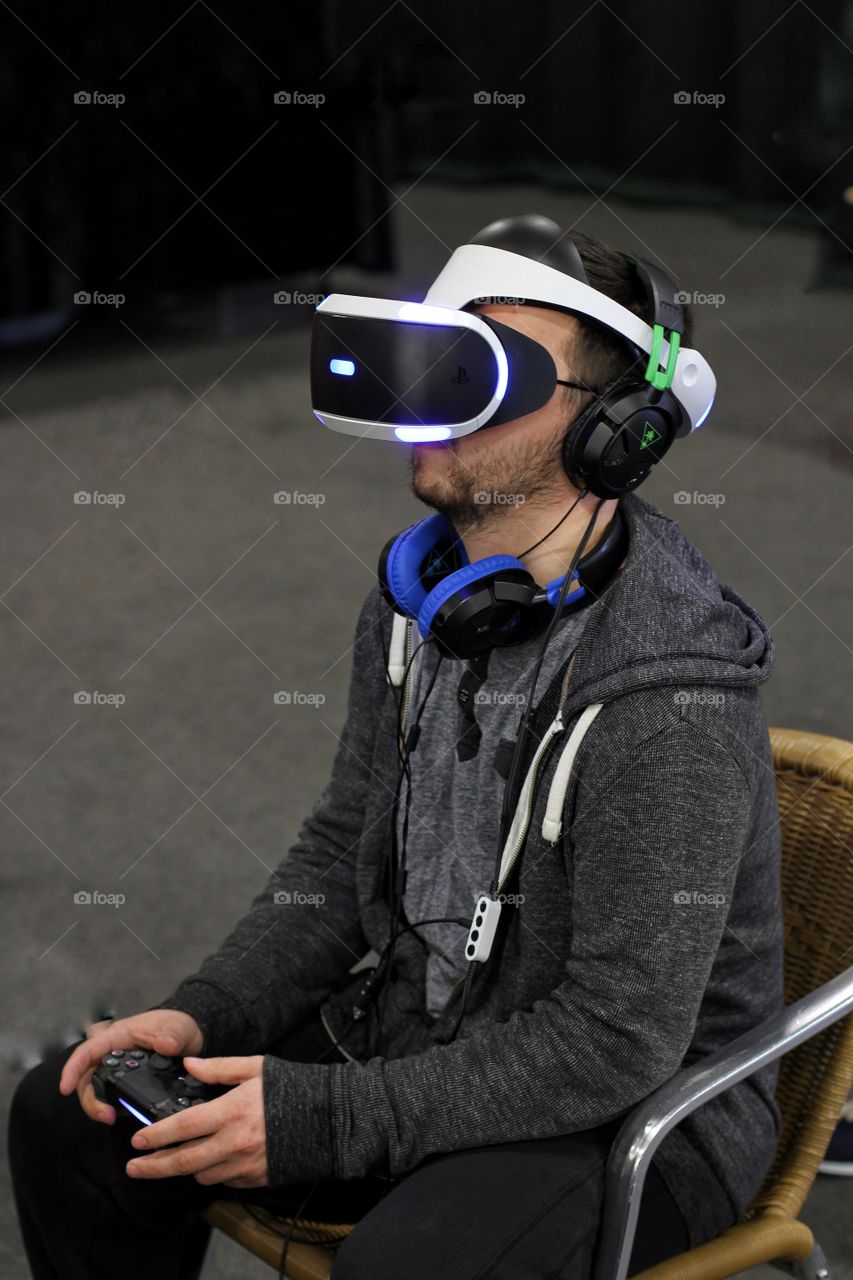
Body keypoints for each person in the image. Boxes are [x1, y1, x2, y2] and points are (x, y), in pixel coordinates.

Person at [9, 217, 785, 1280]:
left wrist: (325, 1117)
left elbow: (616, 1036)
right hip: (425, 1028)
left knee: (409, 1262)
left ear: (614, 432)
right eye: (435, 360)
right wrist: (202, 1012)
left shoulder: (671, 691)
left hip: (630, 1116)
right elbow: (342, 855)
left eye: (487, 376)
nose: (433, 399)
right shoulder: (425, 596)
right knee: (79, 1121)